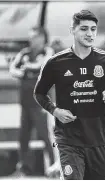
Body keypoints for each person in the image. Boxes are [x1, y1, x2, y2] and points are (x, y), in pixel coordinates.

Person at [33, 10, 105, 180]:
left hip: (98, 142)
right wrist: (55, 111)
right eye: (84, 29)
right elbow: (39, 93)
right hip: (68, 141)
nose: (90, 34)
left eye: (93, 29)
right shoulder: (55, 63)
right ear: (73, 30)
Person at [9, 26, 55, 176]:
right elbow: (12, 69)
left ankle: (55, 169)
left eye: (34, 37)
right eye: (31, 37)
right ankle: (24, 170)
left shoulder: (48, 52)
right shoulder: (25, 53)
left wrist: (28, 68)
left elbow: (42, 66)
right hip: (25, 103)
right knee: (23, 138)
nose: (31, 40)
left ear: (42, 37)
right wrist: (24, 72)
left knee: (46, 137)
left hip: (42, 104)